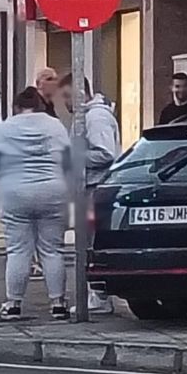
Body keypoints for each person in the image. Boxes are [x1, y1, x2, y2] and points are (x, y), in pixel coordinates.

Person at [0, 87, 72, 321]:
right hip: (52, 192)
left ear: (17, 106)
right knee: (52, 250)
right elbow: (69, 161)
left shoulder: (7, 128)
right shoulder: (55, 126)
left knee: (18, 250)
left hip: (15, 193)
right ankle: (58, 303)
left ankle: (13, 304)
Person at [60, 73, 121, 314]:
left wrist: (75, 158)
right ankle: (96, 294)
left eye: (66, 96)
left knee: (91, 243)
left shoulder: (95, 117)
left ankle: (99, 296)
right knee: (87, 242)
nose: (64, 102)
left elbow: (105, 153)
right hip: (89, 187)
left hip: (96, 187)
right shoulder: (87, 116)